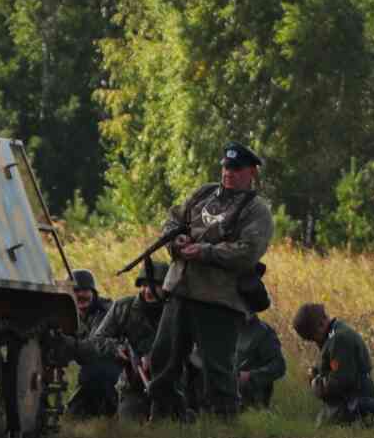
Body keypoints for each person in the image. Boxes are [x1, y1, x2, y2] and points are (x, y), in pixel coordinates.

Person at [143, 142, 274, 420]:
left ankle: (223, 427)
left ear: (251, 171)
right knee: (163, 358)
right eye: (226, 167)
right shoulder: (203, 193)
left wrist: (205, 251)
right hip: (180, 290)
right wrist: (175, 239)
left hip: (218, 299)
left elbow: (248, 251)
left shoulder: (256, 210)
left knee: (217, 370)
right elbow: (172, 219)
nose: (228, 173)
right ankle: (163, 418)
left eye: (236, 168)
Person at [73, 257, 171, 422]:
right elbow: (97, 339)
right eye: (145, 285)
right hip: (133, 384)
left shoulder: (175, 310)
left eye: (156, 285)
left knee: (175, 420)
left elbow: (192, 347)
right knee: (130, 423)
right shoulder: (123, 307)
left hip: (170, 383)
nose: (148, 291)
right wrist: (116, 348)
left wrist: (157, 357)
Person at [292, 301, 374, 425]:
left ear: (321, 324)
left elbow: (340, 381)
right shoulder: (334, 334)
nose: (316, 342)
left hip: (353, 402)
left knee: (324, 427)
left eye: (314, 337)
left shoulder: (339, 339)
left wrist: (315, 383)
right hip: (348, 400)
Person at [65, 268, 120, 418]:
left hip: (114, 368)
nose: (80, 295)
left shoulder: (106, 312)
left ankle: (110, 410)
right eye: (75, 291)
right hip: (90, 368)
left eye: (85, 290)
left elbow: (95, 346)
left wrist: (69, 345)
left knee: (92, 372)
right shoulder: (66, 313)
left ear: (94, 293)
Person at [232, 313, 287, 410]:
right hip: (226, 396)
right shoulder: (226, 327)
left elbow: (279, 366)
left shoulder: (263, 332)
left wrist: (250, 376)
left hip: (252, 403)